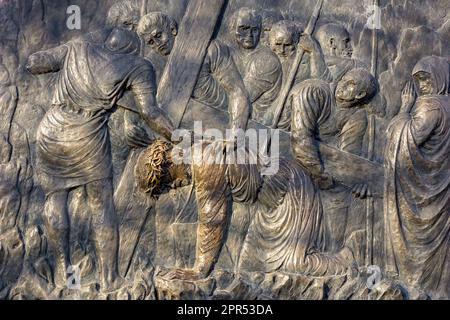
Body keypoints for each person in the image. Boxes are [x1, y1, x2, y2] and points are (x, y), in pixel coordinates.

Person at [25, 28, 175, 293]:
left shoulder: (77, 47)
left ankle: (63, 271)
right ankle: (110, 279)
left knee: (55, 199)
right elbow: (151, 113)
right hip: (87, 134)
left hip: (52, 129)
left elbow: (35, 63)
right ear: (133, 48)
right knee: (101, 205)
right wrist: (180, 136)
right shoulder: (138, 66)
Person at [384, 55, 449, 299]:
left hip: (424, 190)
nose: (422, 86)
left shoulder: (429, 105)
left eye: (427, 79)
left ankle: (417, 286)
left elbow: (404, 137)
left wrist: (403, 108)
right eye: (418, 81)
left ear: (440, 78)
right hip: (441, 185)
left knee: (418, 246)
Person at [228, 7, 282, 126]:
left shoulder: (266, 60)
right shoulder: (232, 52)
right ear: (233, 29)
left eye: (255, 30)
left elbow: (241, 97)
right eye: (244, 28)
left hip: (254, 125)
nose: (249, 35)